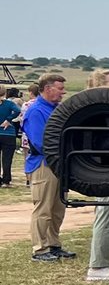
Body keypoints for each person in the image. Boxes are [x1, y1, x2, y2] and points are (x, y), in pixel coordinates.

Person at [23, 73, 75, 262]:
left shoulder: (56, 109)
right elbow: (38, 142)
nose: (63, 92)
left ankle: (54, 244)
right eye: (60, 88)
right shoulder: (36, 111)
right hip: (43, 164)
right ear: (47, 88)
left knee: (57, 208)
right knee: (43, 208)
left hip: (58, 164)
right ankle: (40, 249)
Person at [84, 69, 109, 282]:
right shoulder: (95, 110)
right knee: (106, 214)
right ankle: (98, 266)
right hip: (105, 169)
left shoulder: (104, 108)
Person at [0, 87, 21, 188]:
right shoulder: (9, 104)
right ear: (4, 93)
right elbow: (18, 110)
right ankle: (6, 180)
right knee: (7, 159)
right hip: (8, 133)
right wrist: (8, 120)